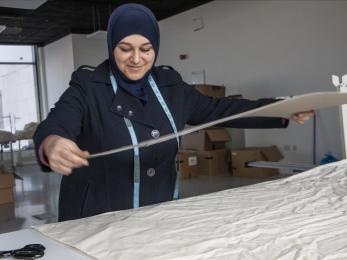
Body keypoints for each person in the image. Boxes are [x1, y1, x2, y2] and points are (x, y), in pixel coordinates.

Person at [33, 3, 314, 222]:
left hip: (158, 212)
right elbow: (55, 124)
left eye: (146, 49)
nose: (136, 58)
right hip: (97, 218)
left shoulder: (170, 85)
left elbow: (221, 110)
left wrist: (283, 108)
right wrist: (53, 143)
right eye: (125, 48)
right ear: (111, 47)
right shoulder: (88, 85)